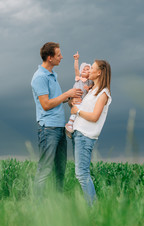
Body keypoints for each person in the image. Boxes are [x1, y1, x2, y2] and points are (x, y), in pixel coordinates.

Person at [31, 42, 83, 195]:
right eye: (58, 55)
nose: (62, 57)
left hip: (59, 128)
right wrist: (67, 94)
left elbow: (56, 100)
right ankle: (37, 207)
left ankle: (57, 205)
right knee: (45, 169)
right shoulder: (40, 77)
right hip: (48, 128)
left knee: (60, 169)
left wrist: (70, 99)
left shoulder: (53, 75)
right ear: (49, 58)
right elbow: (46, 104)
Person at [70, 59, 112, 205]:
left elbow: (94, 117)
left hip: (85, 136)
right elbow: (82, 108)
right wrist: (73, 104)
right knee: (80, 174)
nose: (89, 70)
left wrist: (78, 111)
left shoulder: (104, 94)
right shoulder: (92, 91)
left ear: (99, 72)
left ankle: (93, 208)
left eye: (92, 68)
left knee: (82, 174)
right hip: (79, 134)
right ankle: (92, 207)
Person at [65, 51, 94, 138]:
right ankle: (69, 124)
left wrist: (89, 88)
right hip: (76, 97)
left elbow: (93, 86)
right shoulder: (79, 78)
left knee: (78, 112)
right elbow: (76, 69)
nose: (85, 70)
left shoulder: (90, 81)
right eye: (83, 69)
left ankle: (71, 126)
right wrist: (76, 60)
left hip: (82, 100)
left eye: (87, 69)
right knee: (76, 109)